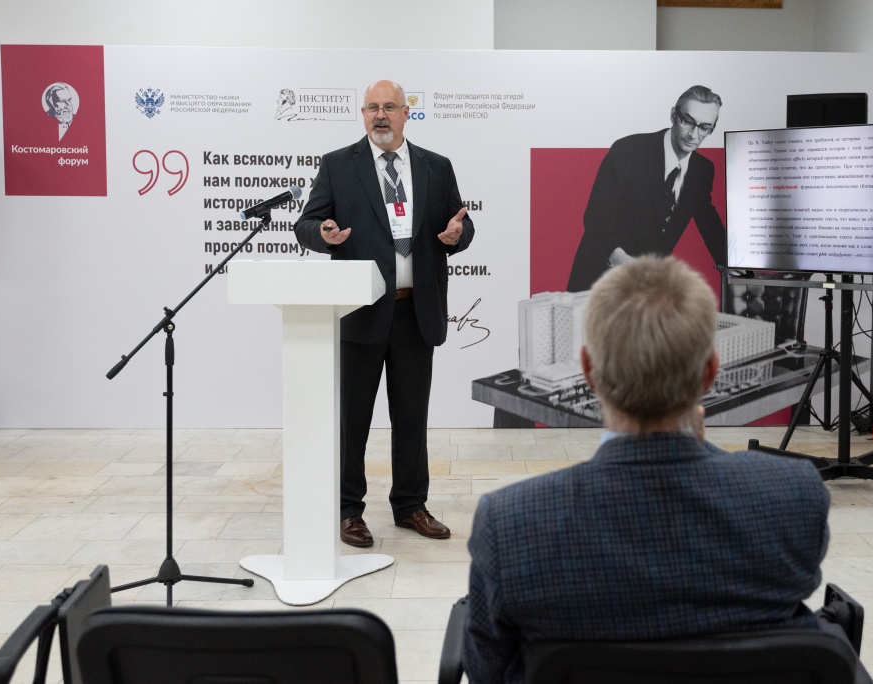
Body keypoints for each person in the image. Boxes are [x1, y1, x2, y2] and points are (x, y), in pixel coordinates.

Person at [464, 255, 831, 683]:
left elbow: (486, 669)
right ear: (710, 372)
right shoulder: (795, 497)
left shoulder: (511, 523)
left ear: (588, 371)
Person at [294, 80, 474, 547]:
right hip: (361, 311)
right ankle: (347, 510)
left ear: (406, 113)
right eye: (372, 107)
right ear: (362, 114)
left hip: (417, 311)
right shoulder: (338, 165)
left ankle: (411, 505)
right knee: (353, 420)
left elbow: (461, 224)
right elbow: (306, 224)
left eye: (389, 107)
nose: (380, 115)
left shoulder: (436, 166)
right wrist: (323, 235)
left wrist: (458, 236)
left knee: (412, 418)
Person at [566, 85, 726, 292]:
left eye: (705, 127)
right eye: (688, 121)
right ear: (673, 115)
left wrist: (737, 266)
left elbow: (708, 221)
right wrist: (620, 259)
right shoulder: (628, 151)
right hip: (598, 278)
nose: (693, 135)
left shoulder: (702, 170)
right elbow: (595, 217)